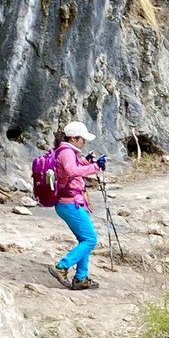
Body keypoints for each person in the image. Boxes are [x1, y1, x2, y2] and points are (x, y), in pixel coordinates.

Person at [47, 121, 106, 291]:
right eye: (82, 139)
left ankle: (81, 278)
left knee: (84, 240)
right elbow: (71, 171)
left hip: (69, 203)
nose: (84, 142)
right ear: (73, 138)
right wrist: (95, 167)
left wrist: (86, 162)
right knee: (90, 239)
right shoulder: (66, 152)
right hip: (69, 203)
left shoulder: (66, 151)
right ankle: (62, 267)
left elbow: (72, 167)